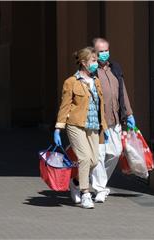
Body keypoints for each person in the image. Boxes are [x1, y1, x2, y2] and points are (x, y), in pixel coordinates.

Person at [53, 47, 109, 209]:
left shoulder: (96, 81)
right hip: (75, 124)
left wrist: (103, 128)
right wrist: (59, 128)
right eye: (93, 60)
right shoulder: (71, 82)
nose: (95, 63)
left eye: (96, 60)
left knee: (93, 160)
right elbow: (65, 106)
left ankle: (76, 182)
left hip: (93, 126)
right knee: (84, 158)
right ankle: (85, 193)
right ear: (84, 63)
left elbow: (101, 106)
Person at [90, 38, 135, 202]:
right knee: (100, 155)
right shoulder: (92, 70)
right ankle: (99, 188)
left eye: (106, 50)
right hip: (99, 120)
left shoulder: (115, 68)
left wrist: (129, 114)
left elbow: (122, 91)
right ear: (94, 53)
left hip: (115, 118)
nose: (104, 54)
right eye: (100, 51)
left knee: (115, 152)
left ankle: (98, 182)